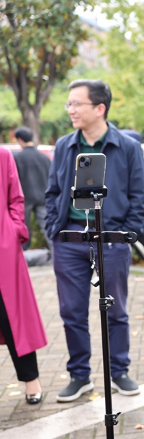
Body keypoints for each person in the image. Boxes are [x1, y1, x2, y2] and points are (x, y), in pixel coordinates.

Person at [46, 79, 144, 402]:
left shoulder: (127, 146)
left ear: (100, 108)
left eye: (77, 103)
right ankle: (80, 375)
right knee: (71, 312)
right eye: (69, 104)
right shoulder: (64, 146)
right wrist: (53, 229)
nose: (71, 110)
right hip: (69, 239)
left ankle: (119, 371)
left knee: (115, 310)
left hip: (112, 239)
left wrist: (126, 235)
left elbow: (139, 197)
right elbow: (53, 192)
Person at [0, 147, 47, 404]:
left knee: (12, 317)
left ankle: (31, 381)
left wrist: (14, 229)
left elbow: (16, 198)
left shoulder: (3, 156)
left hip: (3, 249)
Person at [13, 126, 52, 252]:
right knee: (48, 229)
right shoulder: (44, 157)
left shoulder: (17, 158)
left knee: (24, 230)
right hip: (43, 197)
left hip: (24, 199)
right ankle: (57, 254)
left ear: (19, 139)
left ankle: (23, 256)